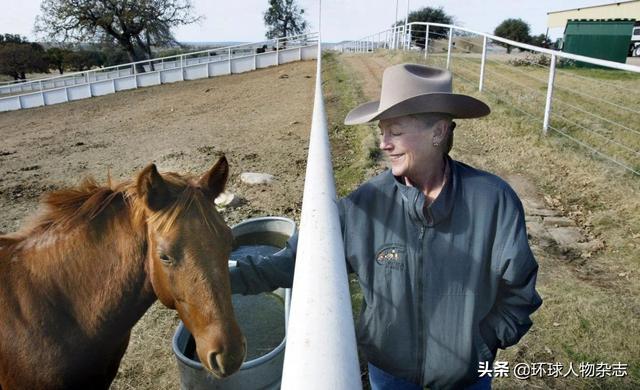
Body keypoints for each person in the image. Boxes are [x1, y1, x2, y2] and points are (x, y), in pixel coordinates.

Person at [229, 63, 542, 389]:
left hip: (466, 379)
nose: (383, 143)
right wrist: (222, 278)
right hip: (388, 376)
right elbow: (294, 264)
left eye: (395, 131)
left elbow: (519, 290)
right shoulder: (363, 206)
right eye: (381, 132)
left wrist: (481, 342)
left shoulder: (493, 200)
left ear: (438, 132)